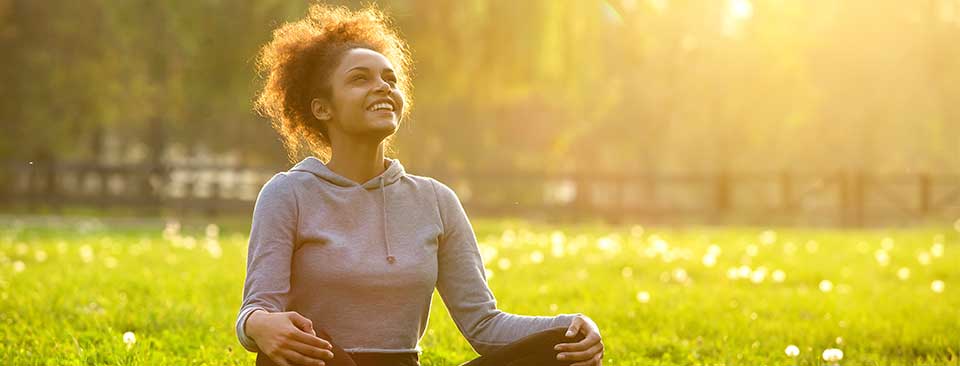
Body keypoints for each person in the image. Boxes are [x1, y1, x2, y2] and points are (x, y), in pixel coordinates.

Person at [236, 3, 604, 366]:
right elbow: (257, 309)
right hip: (326, 361)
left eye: (389, 79)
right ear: (322, 108)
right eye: (360, 78)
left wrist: (571, 326)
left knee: (562, 348)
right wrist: (259, 324)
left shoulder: (436, 200)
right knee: (279, 354)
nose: (382, 87)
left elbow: (484, 325)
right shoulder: (288, 194)